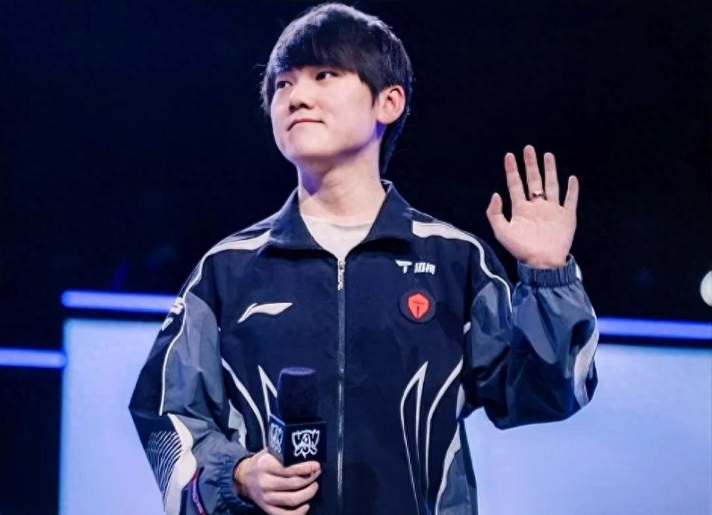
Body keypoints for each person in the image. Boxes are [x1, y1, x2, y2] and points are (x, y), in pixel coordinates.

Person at [129, 3, 599, 514]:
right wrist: (237, 475)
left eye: (324, 75)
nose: (296, 96)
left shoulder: (455, 262)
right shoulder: (227, 269)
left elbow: (544, 395)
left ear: (388, 101)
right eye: (283, 84)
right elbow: (164, 415)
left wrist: (548, 276)